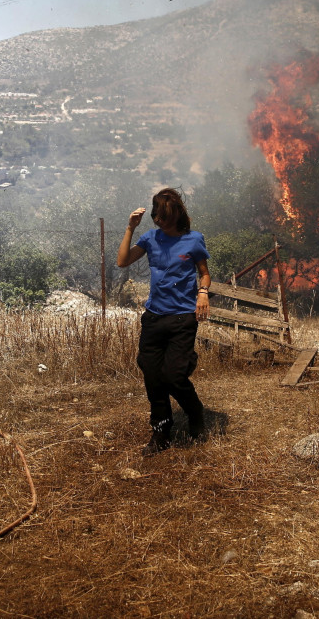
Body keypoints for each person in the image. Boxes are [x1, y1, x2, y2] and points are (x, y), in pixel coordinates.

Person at [117, 188, 211, 456]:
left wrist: (202, 294)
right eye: (158, 217)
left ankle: (195, 412)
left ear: (177, 214)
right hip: (154, 317)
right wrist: (130, 228)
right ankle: (160, 432)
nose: (161, 222)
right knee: (152, 376)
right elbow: (122, 261)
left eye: (165, 217)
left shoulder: (194, 240)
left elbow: (204, 274)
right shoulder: (150, 238)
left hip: (182, 318)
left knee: (173, 376)